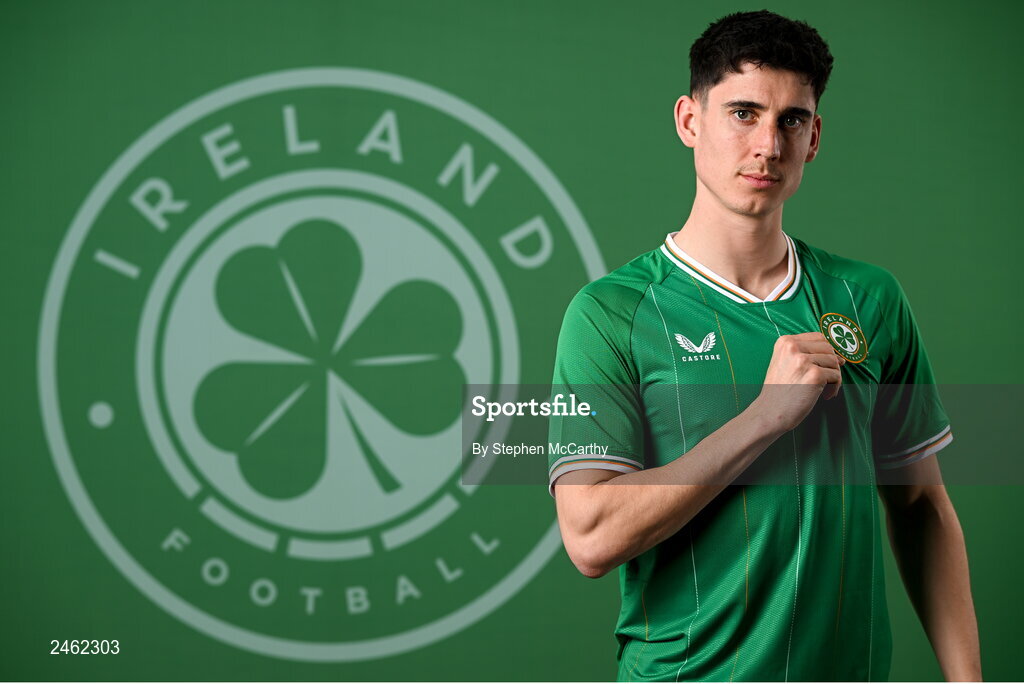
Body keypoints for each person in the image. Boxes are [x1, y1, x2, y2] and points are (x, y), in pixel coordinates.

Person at [547, 10, 981, 682]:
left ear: (814, 138)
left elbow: (921, 506)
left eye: (791, 120)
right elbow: (590, 536)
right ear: (690, 121)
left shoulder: (869, 299)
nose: (768, 145)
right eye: (743, 113)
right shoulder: (610, 313)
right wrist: (763, 419)